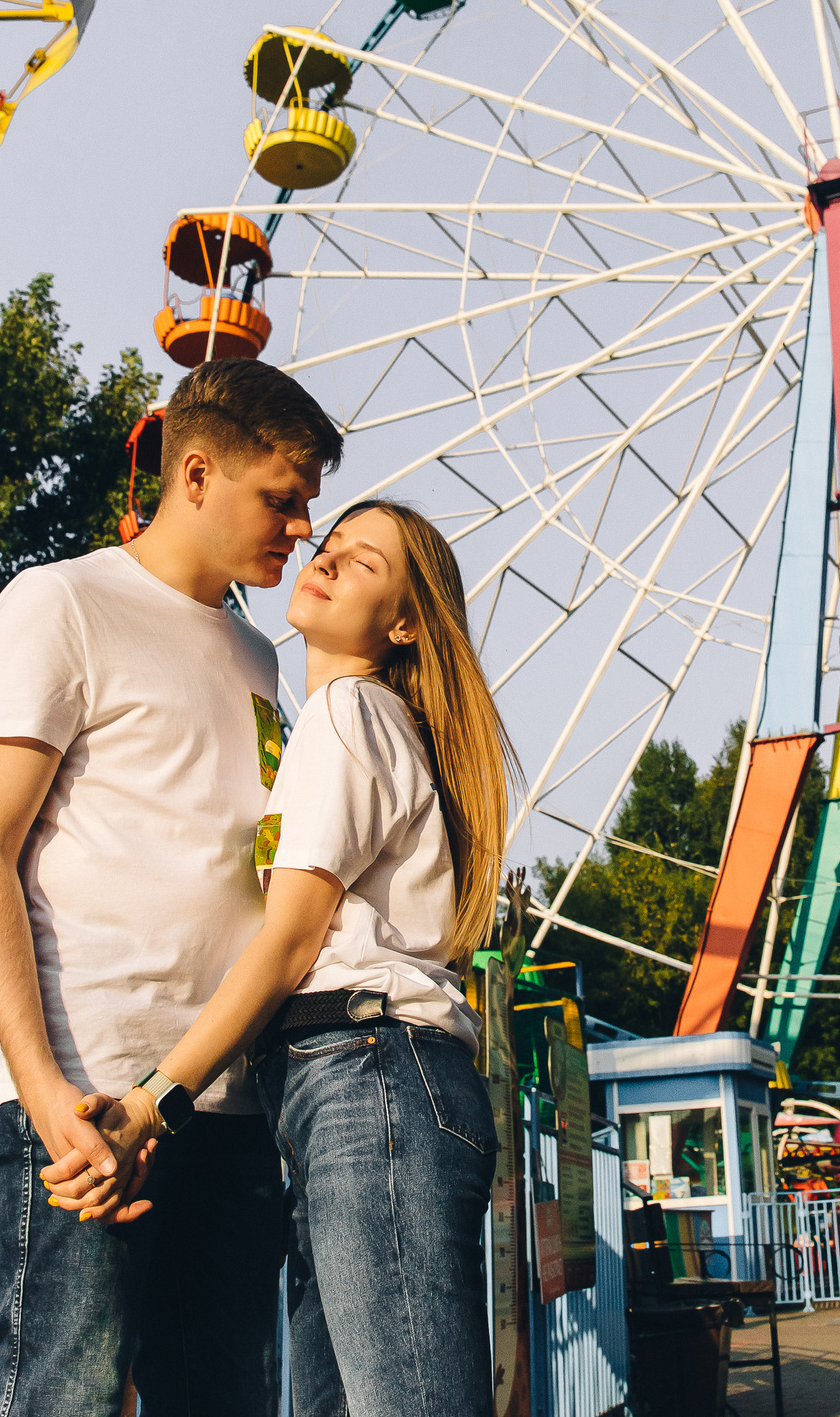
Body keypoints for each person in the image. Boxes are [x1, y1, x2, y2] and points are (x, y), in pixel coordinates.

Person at [0, 359, 343, 1417]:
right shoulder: (61, 601)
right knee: (56, 1394)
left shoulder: (263, 657)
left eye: (307, 504)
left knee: (222, 1398)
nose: (302, 528)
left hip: (226, 1100)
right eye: (282, 497)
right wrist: (43, 1094)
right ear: (196, 473)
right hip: (81, 1089)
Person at [51, 499, 513, 1417]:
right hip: (361, 1084)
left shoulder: (348, 710)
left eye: (365, 563)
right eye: (331, 543)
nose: (328, 558)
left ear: (406, 622)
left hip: (370, 1076)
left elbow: (291, 940)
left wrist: (152, 1100)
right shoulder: (358, 725)